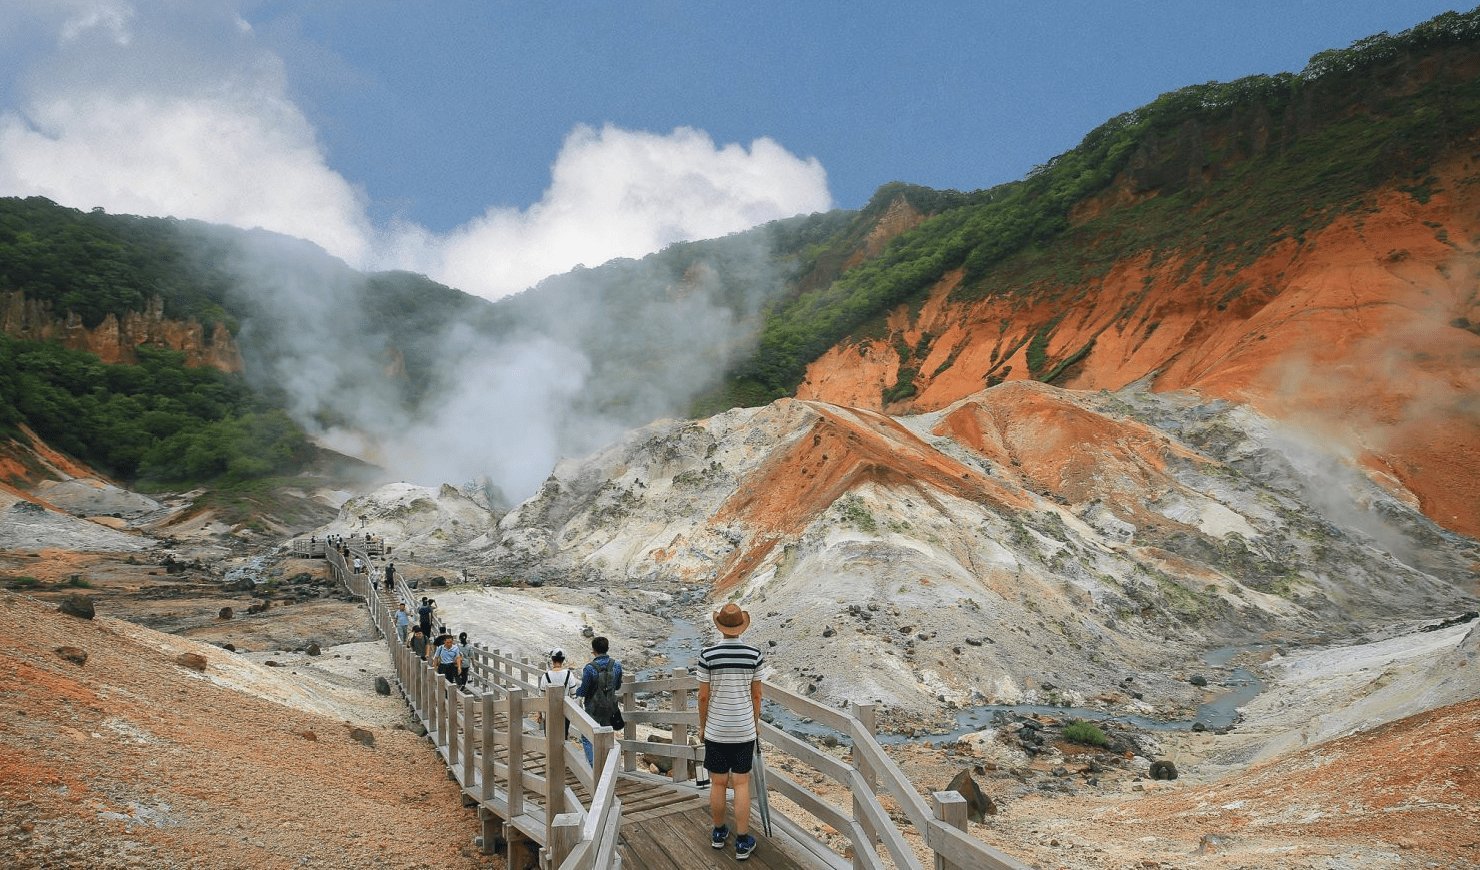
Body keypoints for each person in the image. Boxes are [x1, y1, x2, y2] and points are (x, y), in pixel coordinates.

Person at [697, 603, 765, 860]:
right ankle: (743, 840)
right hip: (743, 729)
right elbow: (756, 695)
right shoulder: (754, 654)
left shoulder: (707, 655)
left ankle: (718, 833)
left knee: (717, 782)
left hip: (716, 729)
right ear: (741, 626)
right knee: (741, 783)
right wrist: (754, 723)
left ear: (721, 627)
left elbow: (703, 696)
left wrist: (703, 725)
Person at [575, 636, 623, 765]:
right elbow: (618, 686)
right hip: (610, 707)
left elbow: (584, 691)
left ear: (593, 650)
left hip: (593, 708)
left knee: (587, 736)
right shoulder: (616, 665)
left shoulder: (590, 668)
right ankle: (608, 766)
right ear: (607, 649)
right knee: (607, 735)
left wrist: (575, 693)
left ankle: (594, 767)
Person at [536, 649, 577, 737]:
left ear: (552, 660)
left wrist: (540, 714)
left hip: (550, 711)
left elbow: (541, 697)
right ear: (563, 660)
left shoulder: (545, 676)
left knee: (549, 736)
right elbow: (574, 695)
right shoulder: (569, 674)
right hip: (564, 711)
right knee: (563, 736)